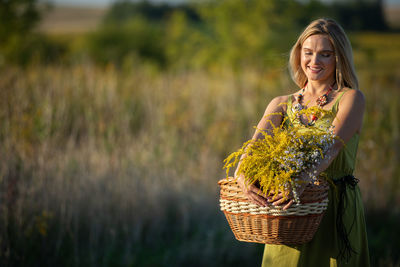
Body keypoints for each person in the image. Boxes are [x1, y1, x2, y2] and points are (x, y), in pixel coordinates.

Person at [235, 18, 370, 266]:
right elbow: (252, 149)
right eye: (308, 53)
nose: (314, 61)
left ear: (339, 57)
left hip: (334, 206)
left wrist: (301, 180)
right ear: (298, 55)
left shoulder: (351, 99)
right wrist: (243, 173)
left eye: (325, 54)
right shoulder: (281, 104)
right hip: (288, 211)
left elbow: (331, 148)